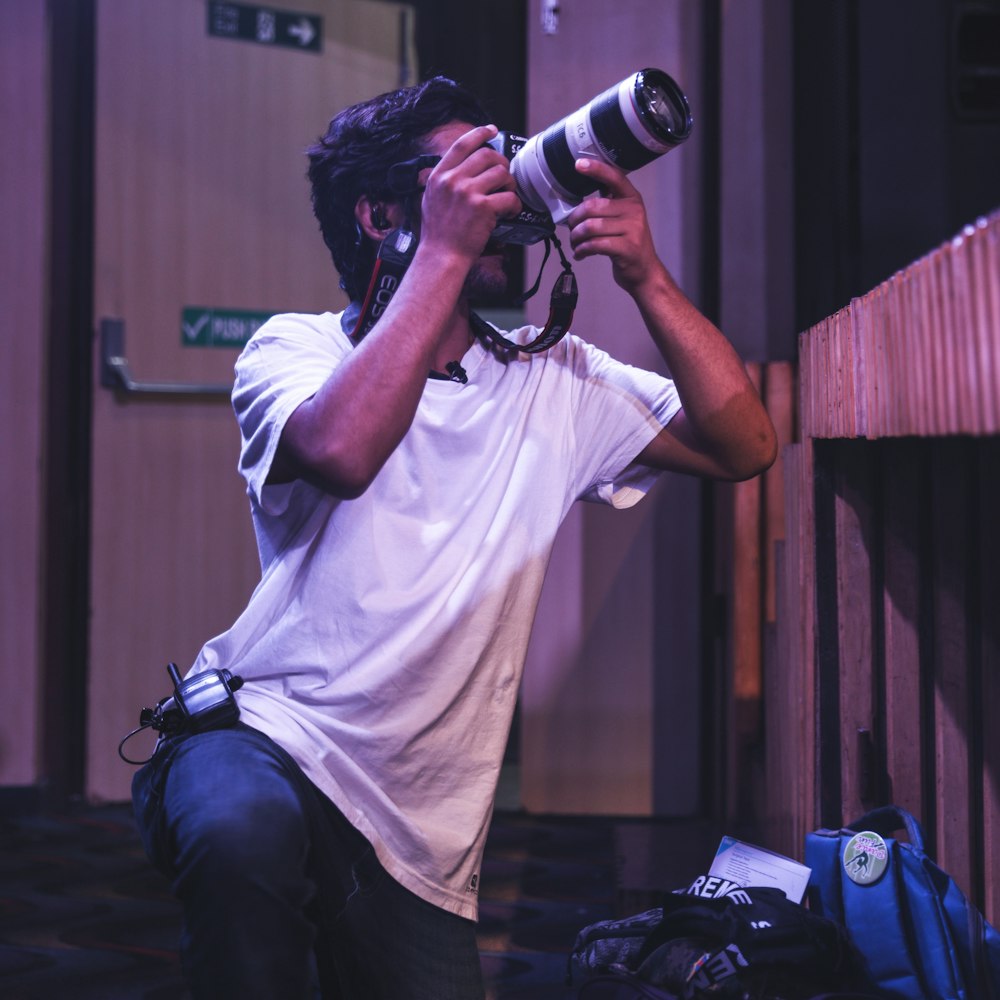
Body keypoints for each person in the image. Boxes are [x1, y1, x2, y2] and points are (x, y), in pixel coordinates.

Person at [131, 76, 777, 999]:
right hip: (269, 738)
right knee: (239, 832)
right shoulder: (296, 349)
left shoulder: (555, 377)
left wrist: (648, 280)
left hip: (422, 837)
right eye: (464, 175)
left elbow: (746, 444)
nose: (502, 193)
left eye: (501, 166)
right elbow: (344, 450)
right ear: (381, 212)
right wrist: (439, 250)